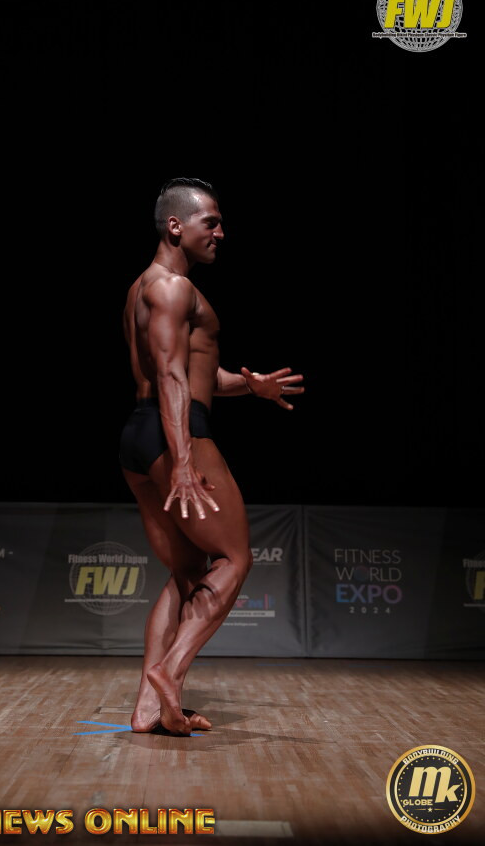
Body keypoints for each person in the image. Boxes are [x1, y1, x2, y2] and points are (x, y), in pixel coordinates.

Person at [119, 178, 304, 735]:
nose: (221, 233)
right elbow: (171, 376)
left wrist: (253, 386)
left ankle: (148, 709)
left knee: (186, 572)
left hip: (139, 436)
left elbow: (196, 373)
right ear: (176, 225)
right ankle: (170, 673)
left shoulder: (143, 287)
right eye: (212, 222)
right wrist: (182, 459)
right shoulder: (173, 287)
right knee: (234, 560)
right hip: (174, 433)